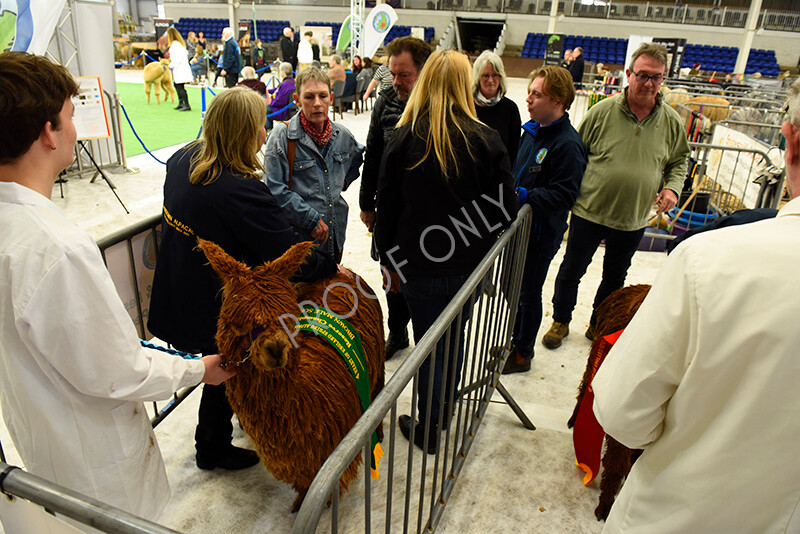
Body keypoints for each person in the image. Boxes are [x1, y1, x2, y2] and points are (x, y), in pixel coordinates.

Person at [0, 51, 235, 521]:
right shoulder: (55, 250)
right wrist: (199, 369)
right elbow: (119, 369)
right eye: (70, 116)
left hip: (46, 445)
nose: (73, 127)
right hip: (95, 467)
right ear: (49, 131)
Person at [591, 78, 800, 534]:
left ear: (790, 138)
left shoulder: (708, 260)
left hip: (682, 514)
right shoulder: (604, 112)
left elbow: (622, 410)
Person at [148, 87, 338, 474]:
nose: (265, 134)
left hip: (174, 289)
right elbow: (287, 256)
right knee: (226, 369)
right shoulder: (239, 189)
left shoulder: (181, 159)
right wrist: (326, 261)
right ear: (242, 131)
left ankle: (220, 435)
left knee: (215, 369)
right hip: (214, 307)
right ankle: (213, 446)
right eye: (259, 126)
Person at [375, 50, 518, 453]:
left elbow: (387, 208)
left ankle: (430, 423)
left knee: (427, 345)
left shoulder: (404, 137)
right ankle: (439, 415)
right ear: (464, 84)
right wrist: (466, 233)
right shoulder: (486, 139)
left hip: (417, 268)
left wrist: (389, 262)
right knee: (451, 342)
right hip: (468, 268)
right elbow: (505, 209)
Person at [542, 42, 689, 349]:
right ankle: (560, 320)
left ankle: (599, 323)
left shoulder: (672, 122)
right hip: (589, 211)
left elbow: (679, 161)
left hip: (633, 218)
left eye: (656, 77)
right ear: (628, 74)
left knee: (614, 278)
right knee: (571, 271)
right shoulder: (601, 112)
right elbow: (575, 154)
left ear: (663, 79)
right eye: (643, 75)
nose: (649, 83)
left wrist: (673, 187)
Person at [500, 66, 587, 374]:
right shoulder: (533, 132)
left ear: (559, 101)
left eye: (537, 94)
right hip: (519, 230)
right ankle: (515, 338)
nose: (528, 99)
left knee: (528, 292)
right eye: (530, 92)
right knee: (513, 290)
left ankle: (523, 352)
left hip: (539, 234)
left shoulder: (567, 145)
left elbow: (565, 196)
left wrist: (526, 195)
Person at [360, 36, 432, 360]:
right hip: (390, 211)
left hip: (425, 216)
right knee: (391, 273)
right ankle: (398, 331)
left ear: (423, 71)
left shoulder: (439, 104)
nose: (397, 82)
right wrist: (366, 203)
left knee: (419, 276)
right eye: (393, 73)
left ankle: (425, 339)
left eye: (404, 75)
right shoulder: (385, 99)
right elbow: (372, 152)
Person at [264, 68, 364, 262]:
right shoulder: (281, 138)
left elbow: (356, 158)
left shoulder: (343, 135)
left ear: (331, 97)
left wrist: (339, 183)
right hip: (297, 241)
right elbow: (273, 189)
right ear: (297, 99)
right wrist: (310, 218)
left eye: (323, 96)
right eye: (309, 97)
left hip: (335, 236)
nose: (317, 103)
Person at [471, 50, 521, 166]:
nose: (491, 80)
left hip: (499, 177)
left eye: (495, 75)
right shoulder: (467, 106)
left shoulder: (511, 109)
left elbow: (514, 150)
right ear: (478, 77)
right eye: (486, 75)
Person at [167, 27, 192, 111]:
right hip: (178, 69)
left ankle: (187, 104)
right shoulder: (177, 44)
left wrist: (171, 65)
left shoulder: (176, 45)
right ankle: (181, 103)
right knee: (177, 86)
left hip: (180, 69)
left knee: (180, 87)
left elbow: (178, 58)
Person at [265, 61, 296, 130]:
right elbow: (278, 89)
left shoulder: (286, 84)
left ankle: (268, 130)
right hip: (285, 108)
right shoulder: (291, 81)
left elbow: (279, 101)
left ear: (282, 72)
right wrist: (267, 90)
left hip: (283, 111)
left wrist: (270, 101)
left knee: (264, 110)